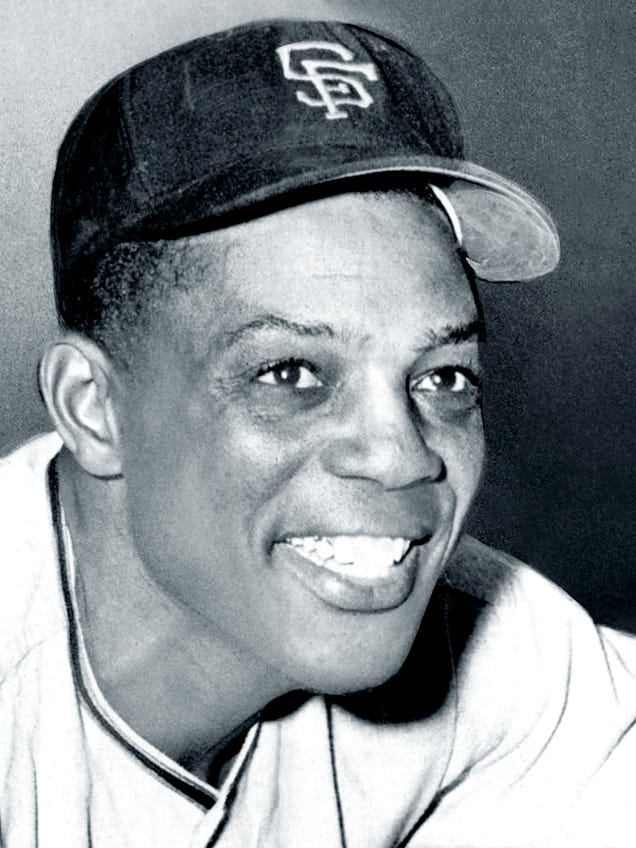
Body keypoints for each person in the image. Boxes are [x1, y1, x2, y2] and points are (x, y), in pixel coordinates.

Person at [0, 18, 634, 848]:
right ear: (93, 407)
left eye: (443, 379)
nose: (403, 455)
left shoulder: (511, 660)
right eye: (291, 374)